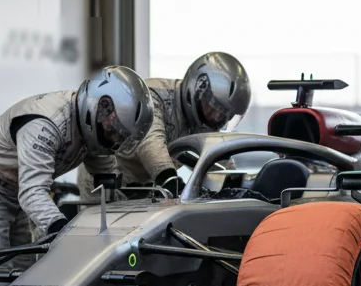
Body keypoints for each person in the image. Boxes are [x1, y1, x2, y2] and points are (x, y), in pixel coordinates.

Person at [0, 66, 154, 258]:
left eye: (120, 137)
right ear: (101, 107)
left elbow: (104, 174)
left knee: (22, 275)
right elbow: (33, 192)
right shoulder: (45, 123)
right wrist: (64, 231)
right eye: (113, 131)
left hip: (14, 190)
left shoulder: (90, 125)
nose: (114, 140)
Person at [79, 52, 252, 197]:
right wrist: (170, 180)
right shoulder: (152, 95)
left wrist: (239, 186)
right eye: (213, 108)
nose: (216, 118)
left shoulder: (207, 122)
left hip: (146, 187)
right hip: (104, 178)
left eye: (224, 116)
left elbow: (218, 160)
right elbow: (150, 142)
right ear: (197, 90)